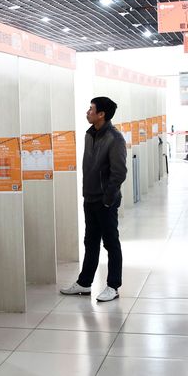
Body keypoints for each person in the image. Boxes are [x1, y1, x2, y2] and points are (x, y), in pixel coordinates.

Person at [60, 96, 127, 302]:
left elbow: (119, 173)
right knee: (90, 242)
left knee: (110, 243)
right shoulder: (90, 135)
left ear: (101, 114)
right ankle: (84, 283)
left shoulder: (115, 139)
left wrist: (107, 199)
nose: (87, 112)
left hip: (105, 201)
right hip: (90, 198)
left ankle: (113, 286)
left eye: (91, 109)